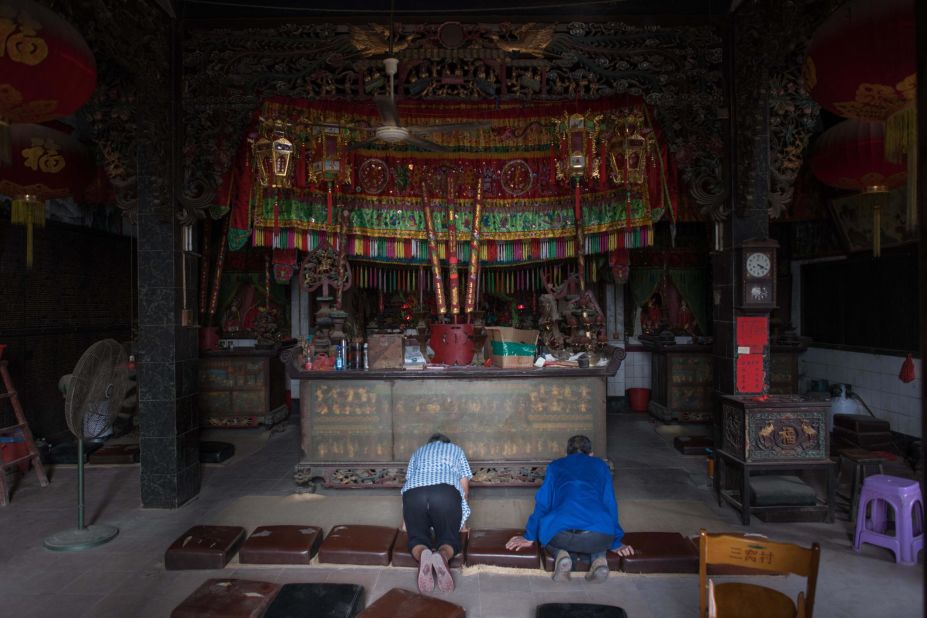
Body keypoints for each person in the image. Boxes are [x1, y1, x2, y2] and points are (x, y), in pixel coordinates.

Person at [505, 435, 633, 583]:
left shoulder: (555, 466)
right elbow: (610, 504)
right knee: (600, 532)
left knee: (546, 534)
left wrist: (529, 537)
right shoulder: (600, 465)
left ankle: (562, 556)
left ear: (566, 454)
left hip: (562, 534)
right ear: (591, 454)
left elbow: (543, 505)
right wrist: (616, 542)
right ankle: (599, 560)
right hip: (597, 536)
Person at [401, 433, 473, 594]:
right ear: (447, 443)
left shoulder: (418, 451)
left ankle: (423, 553)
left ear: (429, 444)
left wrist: (406, 523)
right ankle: (443, 555)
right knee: (449, 537)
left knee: (417, 538)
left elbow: (409, 482)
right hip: (444, 491)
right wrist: (463, 525)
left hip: (414, 493)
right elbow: (464, 488)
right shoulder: (456, 450)